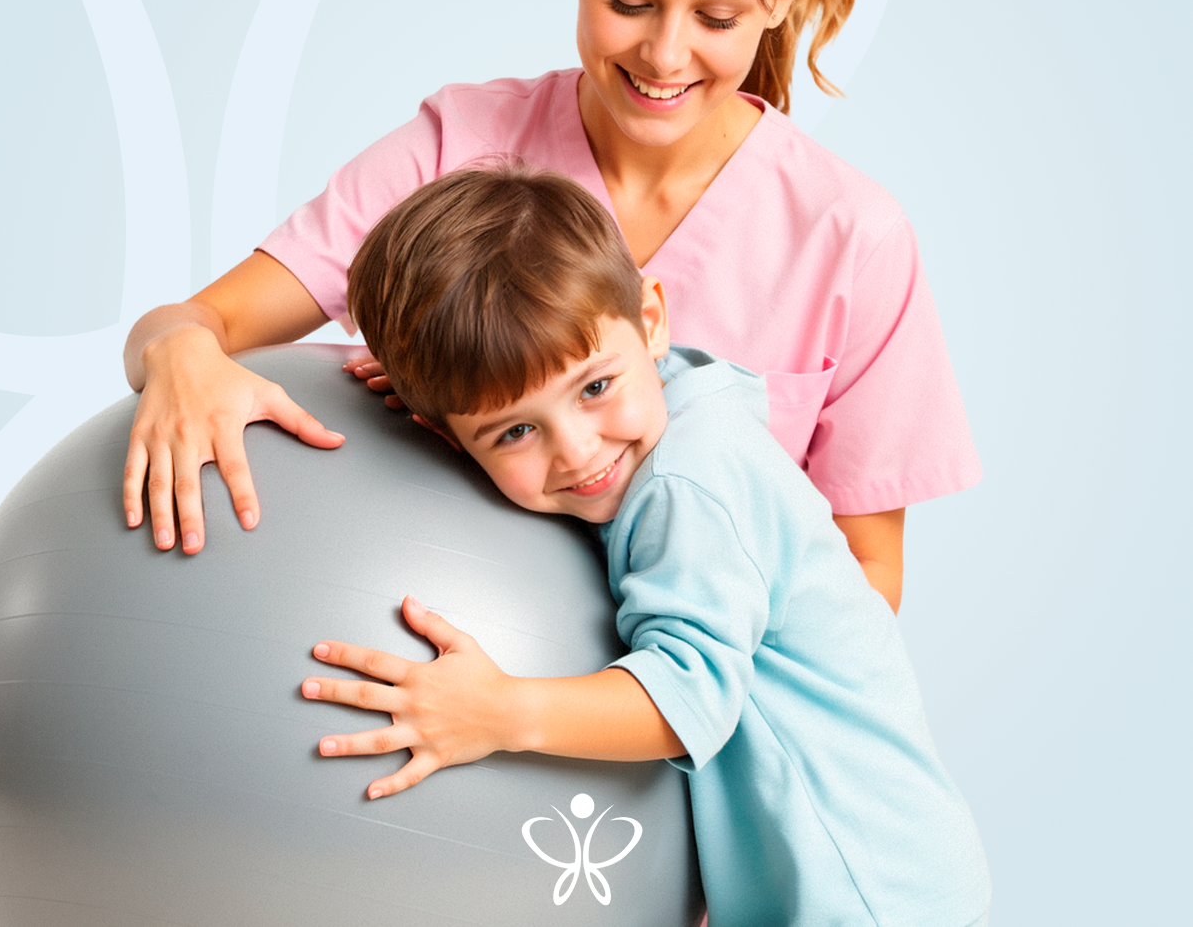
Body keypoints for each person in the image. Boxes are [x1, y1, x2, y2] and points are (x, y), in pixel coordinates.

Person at [122, 0, 981, 611]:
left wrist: (636, 683)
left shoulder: (850, 237)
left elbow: (868, 579)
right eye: (629, 1)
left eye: (717, 17)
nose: (665, 54)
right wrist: (180, 354)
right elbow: (193, 323)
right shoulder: (456, 149)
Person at [299, 166, 991, 927]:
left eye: (594, 389)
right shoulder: (673, 399)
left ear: (651, 318)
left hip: (859, 891)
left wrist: (498, 711)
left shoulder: (687, 483)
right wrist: (445, 387)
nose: (577, 451)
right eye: (515, 430)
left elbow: (687, 700)